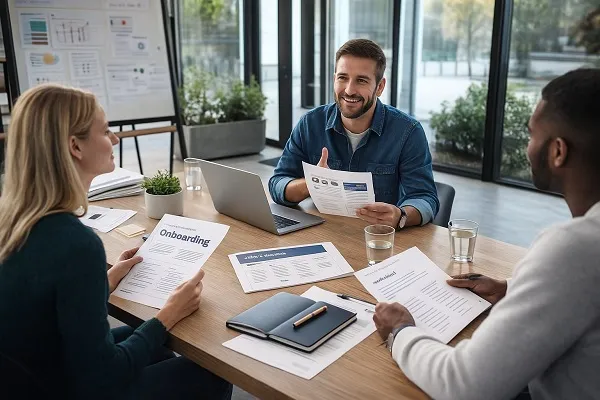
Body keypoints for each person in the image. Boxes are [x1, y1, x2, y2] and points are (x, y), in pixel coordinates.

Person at [373, 68, 600, 400]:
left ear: (558, 152)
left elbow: (464, 385)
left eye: (531, 135)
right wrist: (513, 291)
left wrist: (401, 330)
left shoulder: (575, 248)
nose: (527, 147)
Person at [0, 84, 232, 399]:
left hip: (31, 377)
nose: (115, 140)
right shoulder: (76, 244)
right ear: (75, 147)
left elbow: (40, 302)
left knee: (159, 351)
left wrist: (102, 282)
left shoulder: (13, 221)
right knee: (210, 374)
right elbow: (103, 377)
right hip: (63, 386)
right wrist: (168, 315)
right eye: (106, 131)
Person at [268, 39, 439, 228]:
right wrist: (311, 183)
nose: (349, 90)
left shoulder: (408, 132)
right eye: (343, 77)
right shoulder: (310, 124)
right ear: (334, 79)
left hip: (379, 240)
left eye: (361, 80)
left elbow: (425, 198)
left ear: (380, 87)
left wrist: (401, 216)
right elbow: (277, 184)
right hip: (323, 233)